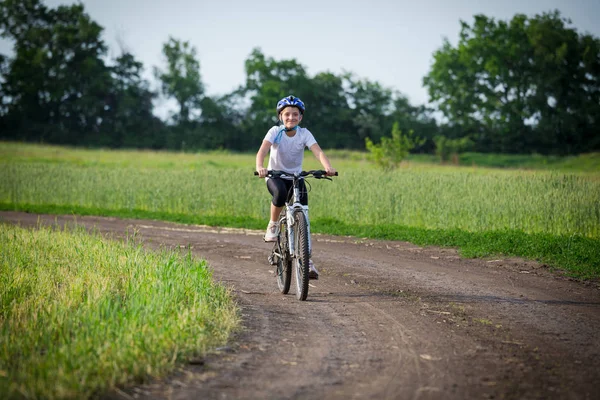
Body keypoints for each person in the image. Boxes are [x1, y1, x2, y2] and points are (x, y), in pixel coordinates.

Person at [255, 95, 337, 280]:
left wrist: (327, 167)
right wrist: (260, 167)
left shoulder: (304, 133)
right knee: (281, 194)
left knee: (304, 215)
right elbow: (263, 150)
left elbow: (318, 151)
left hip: (296, 177)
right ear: (280, 116)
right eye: (287, 114)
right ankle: (273, 224)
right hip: (275, 176)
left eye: (295, 114)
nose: (291, 117)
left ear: (300, 117)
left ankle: (307, 261)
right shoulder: (275, 131)